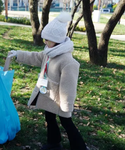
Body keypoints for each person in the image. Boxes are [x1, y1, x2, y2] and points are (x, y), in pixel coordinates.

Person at [8, 12, 88, 150]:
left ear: (57, 40)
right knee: (49, 119)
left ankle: (79, 147)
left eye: (48, 40)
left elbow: (69, 87)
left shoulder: (68, 62)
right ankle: (54, 143)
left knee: (67, 123)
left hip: (60, 100)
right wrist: (19, 54)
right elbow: (36, 57)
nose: (45, 42)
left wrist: (66, 106)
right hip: (47, 94)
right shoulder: (49, 52)